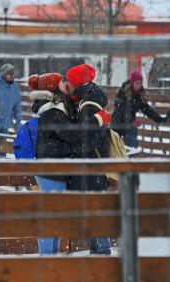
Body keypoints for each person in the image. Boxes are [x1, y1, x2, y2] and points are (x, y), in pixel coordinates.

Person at [28, 72, 111, 255]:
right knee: (51, 217)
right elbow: (72, 134)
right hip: (50, 171)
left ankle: (50, 256)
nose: (67, 84)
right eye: (62, 82)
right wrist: (97, 120)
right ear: (54, 88)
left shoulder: (58, 107)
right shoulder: (52, 111)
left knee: (54, 217)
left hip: (54, 169)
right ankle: (47, 257)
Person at [65, 63, 112, 255]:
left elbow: (88, 138)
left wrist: (73, 146)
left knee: (95, 213)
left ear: (76, 83)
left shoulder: (87, 105)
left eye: (69, 81)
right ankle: (98, 253)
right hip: (95, 165)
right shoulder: (91, 99)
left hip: (90, 165)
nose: (67, 84)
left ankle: (102, 254)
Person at [111, 71, 164, 148]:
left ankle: (132, 156)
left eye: (140, 83)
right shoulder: (124, 91)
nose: (138, 86)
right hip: (117, 122)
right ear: (132, 83)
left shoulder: (140, 95)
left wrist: (159, 119)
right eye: (136, 83)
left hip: (129, 126)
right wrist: (131, 119)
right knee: (113, 148)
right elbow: (120, 107)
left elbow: (147, 109)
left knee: (131, 146)